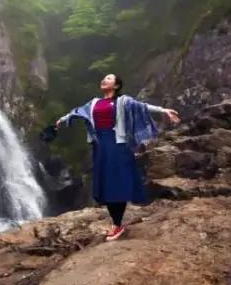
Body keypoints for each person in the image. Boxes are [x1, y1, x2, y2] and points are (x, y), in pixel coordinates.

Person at [55, 73, 180, 241]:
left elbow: (142, 106)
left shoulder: (122, 101)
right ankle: (116, 223)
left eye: (108, 78)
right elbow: (78, 112)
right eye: (104, 78)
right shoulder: (94, 103)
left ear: (116, 86)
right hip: (100, 146)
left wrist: (163, 110)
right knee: (106, 183)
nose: (104, 80)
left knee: (116, 184)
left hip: (117, 144)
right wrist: (62, 119)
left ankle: (117, 224)